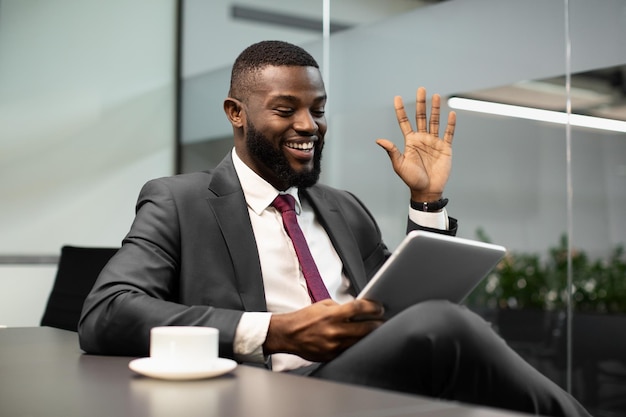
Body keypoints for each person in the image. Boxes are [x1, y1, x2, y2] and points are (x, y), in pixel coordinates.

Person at [78, 40, 590, 417]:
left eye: (318, 110)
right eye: (287, 109)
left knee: (447, 326)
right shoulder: (180, 201)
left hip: (364, 386)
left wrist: (426, 200)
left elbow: (403, 308)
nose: (309, 125)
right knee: (448, 327)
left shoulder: (343, 208)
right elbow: (106, 312)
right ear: (237, 113)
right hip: (268, 396)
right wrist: (275, 332)